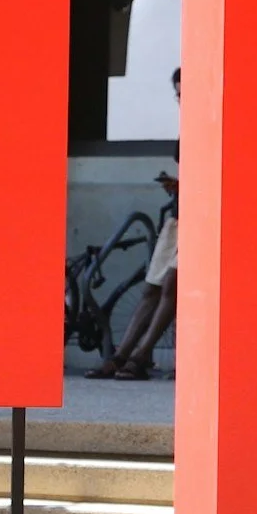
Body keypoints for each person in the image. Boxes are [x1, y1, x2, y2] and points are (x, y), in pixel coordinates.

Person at [88, 67, 180, 380]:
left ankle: (142, 354)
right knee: (152, 287)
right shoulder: (190, 128)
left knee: (171, 283)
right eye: (179, 96)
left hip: (200, 217)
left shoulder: (212, 124)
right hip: (180, 218)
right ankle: (122, 354)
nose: (182, 101)